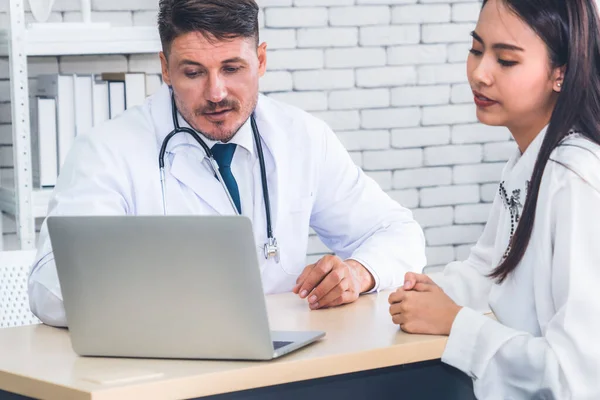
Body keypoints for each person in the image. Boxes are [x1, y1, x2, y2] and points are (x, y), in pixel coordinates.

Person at [28, 0, 426, 327]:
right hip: (163, 365)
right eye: (193, 72)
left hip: (283, 365)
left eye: (232, 69)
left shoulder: (302, 137)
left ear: (261, 60)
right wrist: (160, 291)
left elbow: (398, 232)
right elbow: (49, 288)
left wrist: (359, 272)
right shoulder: (106, 151)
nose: (216, 92)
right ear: (165, 68)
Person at [388, 0, 600, 398]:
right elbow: (491, 270)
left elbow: (577, 380)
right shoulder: (530, 157)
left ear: (561, 73)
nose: (479, 74)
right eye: (476, 50)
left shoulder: (574, 180)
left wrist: (455, 322)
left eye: (505, 60)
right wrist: (421, 289)